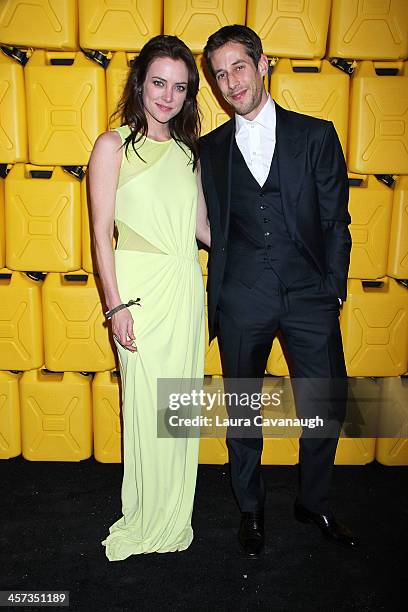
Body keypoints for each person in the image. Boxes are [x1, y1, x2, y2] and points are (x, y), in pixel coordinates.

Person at [199, 25, 357, 557]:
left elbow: (337, 221)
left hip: (311, 295)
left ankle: (312, 502)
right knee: (243, 409)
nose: (230, 83)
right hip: (242, 296)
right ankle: (251, 508)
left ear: (263, 63)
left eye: (238, 67)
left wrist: (333, 290)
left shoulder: (316, 135)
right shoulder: (210, 150)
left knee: (325, 404)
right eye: (220, 75)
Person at [89, 35, 210, 561]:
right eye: (159, 83)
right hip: (140, 293)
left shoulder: (189, 151)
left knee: (177, 408)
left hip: (186, 289)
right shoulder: (112, 146)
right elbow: (100, 235)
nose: (168, 96)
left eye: (179, 87)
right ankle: (145, 514)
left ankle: (173, 515)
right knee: (145, 407)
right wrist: (114, 306)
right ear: (140, 83)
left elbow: (205, 228)